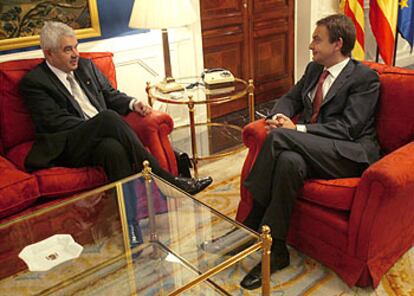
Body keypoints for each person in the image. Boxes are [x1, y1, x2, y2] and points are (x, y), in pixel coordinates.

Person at [20, 21, 212, 248]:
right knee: (108, 118)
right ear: (49, 53)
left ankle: (130, 226)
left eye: (76, 47)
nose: (75, 55)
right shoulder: (35, 82)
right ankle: (165, 179)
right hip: (69, 144)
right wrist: (97, 124)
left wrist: (133, 103)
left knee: (113, 149)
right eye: (67, 49)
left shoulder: (86, 67)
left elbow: (111, 95)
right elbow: (54, 122)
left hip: (100, 139)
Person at [239, 14, 381, 290]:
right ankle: (277, 250)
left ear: (338, 44)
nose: (310, 45)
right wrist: (280, 115)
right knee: (289, 162)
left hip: (348, 154)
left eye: (317, 39)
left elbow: (348, 129)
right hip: (314, 148)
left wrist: (297, 129)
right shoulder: (315, 69)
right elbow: (291, 98)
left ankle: (254, 214)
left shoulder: (365, 79)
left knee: (281, 138)